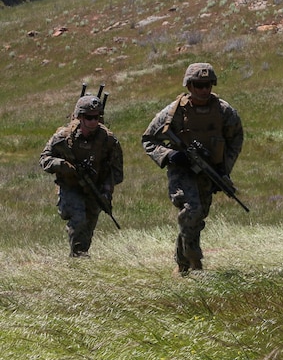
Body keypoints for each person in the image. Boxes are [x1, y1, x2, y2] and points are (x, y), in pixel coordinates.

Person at [142, 62, 244, 276]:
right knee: (191, 210)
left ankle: (182, 265)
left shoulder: (223, 111)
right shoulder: (174, 111)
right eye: (198, 85)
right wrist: (171, 155)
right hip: (182, 171)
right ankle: (195, 264)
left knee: (197, 218)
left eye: (207, 85)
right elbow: (149, 139)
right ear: (189, 86)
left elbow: (236, 138)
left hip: (209, 171)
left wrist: (223, 170)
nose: (203, 90)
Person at [39, 94, 124, 258]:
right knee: (78, 219)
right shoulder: (63, 138)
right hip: (70, 187)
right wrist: (62, 166)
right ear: (79, 116)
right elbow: (44, 159)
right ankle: (78, 257)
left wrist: (106, 191)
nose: (93, 121)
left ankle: (80, 258)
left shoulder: (109, 141)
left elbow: (117, 172)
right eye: (89, 117)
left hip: (95, 189)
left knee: (88, 227)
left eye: (97, 117)